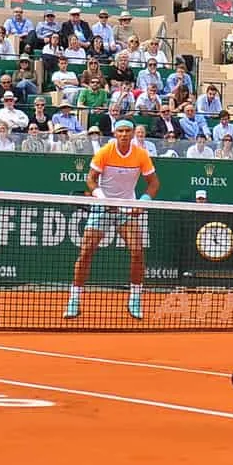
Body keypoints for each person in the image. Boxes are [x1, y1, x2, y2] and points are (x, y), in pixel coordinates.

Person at [68, 119, 158, 320]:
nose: (124, 134)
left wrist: (142, 202)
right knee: (85, 253)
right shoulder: (105, 152)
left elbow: (153, 183)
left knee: (137, 252)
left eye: (128, 131)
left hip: (127, 207)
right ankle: (74, 299)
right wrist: (103, 199)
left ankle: (135, 298)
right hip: (102, 207)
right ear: (115, 134)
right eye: (120, 131)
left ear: (133, 133)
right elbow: (90, 179)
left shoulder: (141, 154)